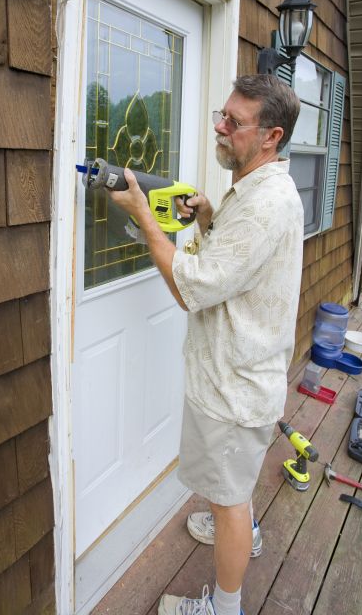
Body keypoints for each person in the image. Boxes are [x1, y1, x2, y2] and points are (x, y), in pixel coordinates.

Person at [109, 74, 304, 615]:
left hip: (233, 387)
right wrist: (211, 219)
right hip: (243, 377)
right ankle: (239, 523)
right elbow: (235, 265)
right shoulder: (259, 192)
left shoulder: (266, 206)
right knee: (232, 483)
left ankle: (224, 606)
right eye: (222, 114)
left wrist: (146, 216)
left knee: (229, 498)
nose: (220, 127)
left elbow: (190, 288)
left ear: (271, 136)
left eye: (234, 123)